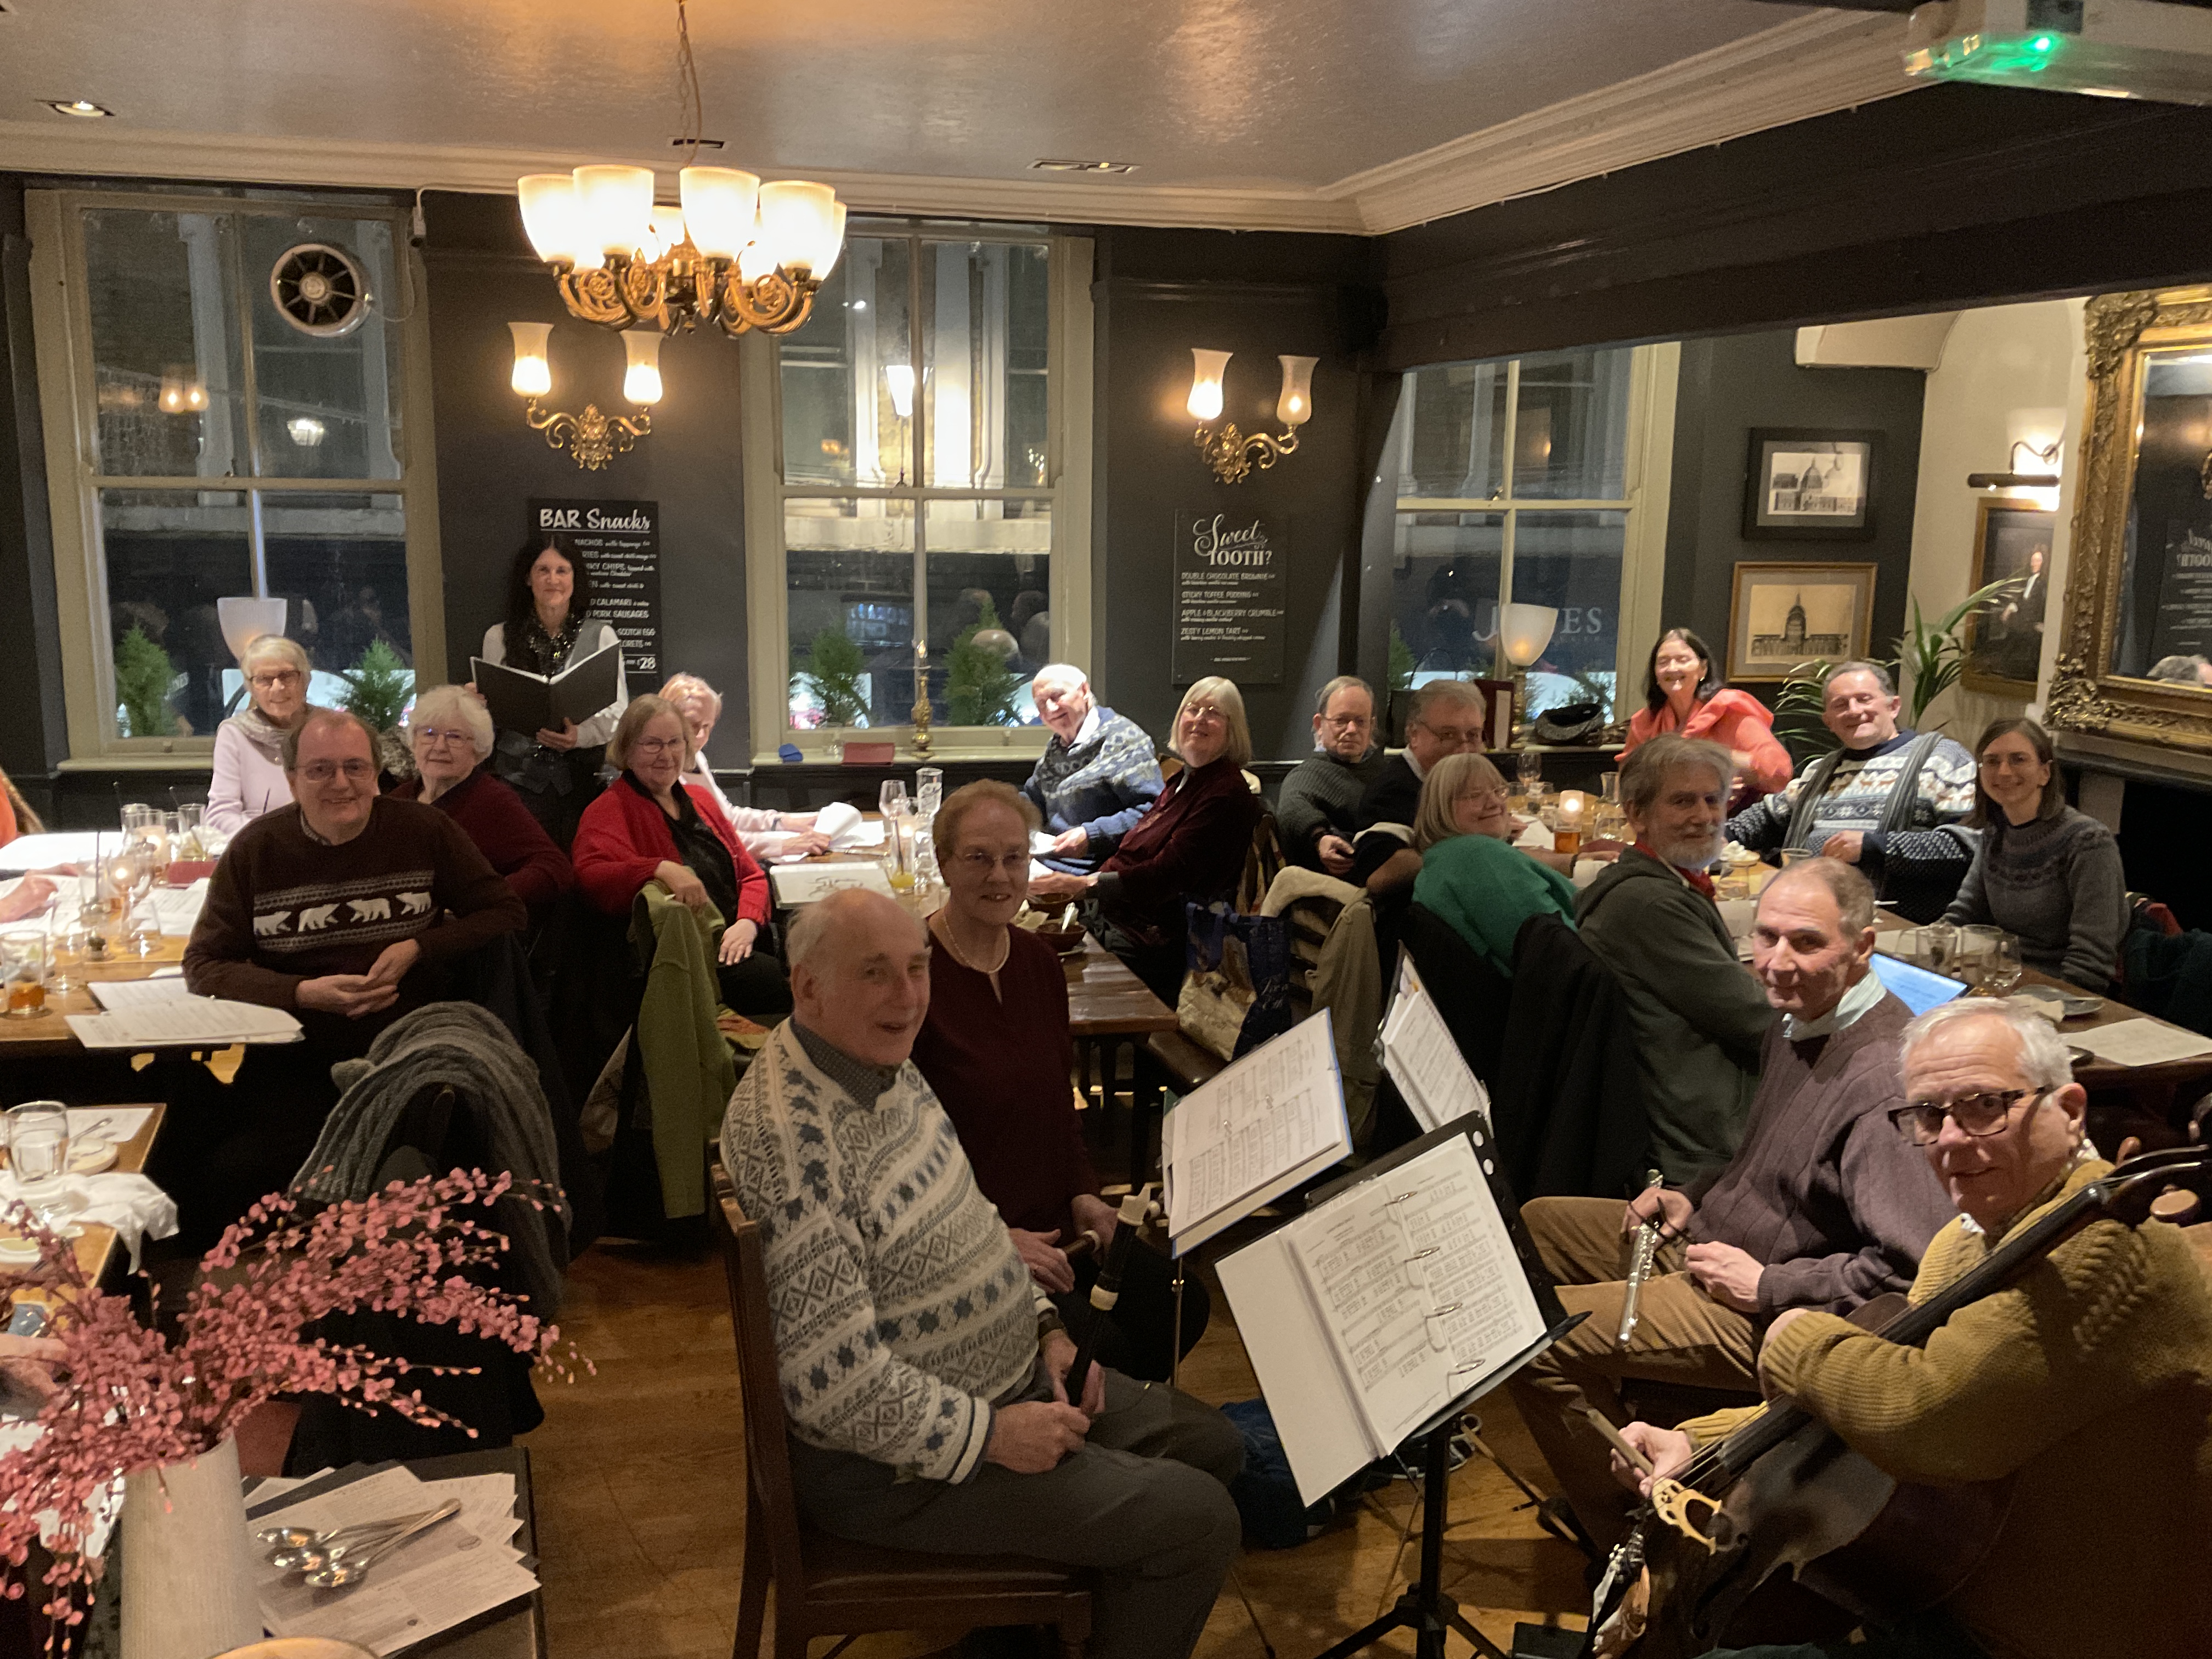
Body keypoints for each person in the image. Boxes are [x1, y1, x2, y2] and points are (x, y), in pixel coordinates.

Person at [720, 889, 1243, 1659]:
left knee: (1215, 1447)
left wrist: (1046, 1331)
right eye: (876, 974)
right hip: (894, 1469)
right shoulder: (798, 1143)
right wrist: (992, 1435)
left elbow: (970, 1222)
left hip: (1008, 1374)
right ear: (807, 987)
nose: (908, 998)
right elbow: (833, 1388)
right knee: (1198, 1522)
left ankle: (1032, 1629)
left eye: (916, 969)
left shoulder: (880, 1063)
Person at [1616, 999, 2212, 1659]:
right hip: (1939, 1588)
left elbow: (1920, 1414)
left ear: (2069, 1110)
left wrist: (1792, 1332)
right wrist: (1695, 1444)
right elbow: (1849, 1412)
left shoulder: (2103, 1254)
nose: (1952, 1140)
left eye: (1986, 1105)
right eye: (1930, 1115)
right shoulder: (1969, 1238)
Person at [1510, 859, 1951, 1553]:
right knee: (1541, 1222)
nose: (1776, 962)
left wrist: (1770, 1286)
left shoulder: (1881, 1084)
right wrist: (1692, 1192)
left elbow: (1912, 1275)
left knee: (1536, 1342)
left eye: (1806, 942)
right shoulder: (1799, 1018)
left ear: (1864, 947)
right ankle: (1627, 1451)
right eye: (1766, 938)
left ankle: (1630, 1538)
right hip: (1719, 1243)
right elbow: (1768, 1153)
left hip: (1768, 1306)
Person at [181, 708, 527, 1238]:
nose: (341, 783)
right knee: (230, 1169)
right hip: (301, 1050)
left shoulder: (425, 829)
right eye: (320, 770)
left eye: (355, 768)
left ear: (376, 774)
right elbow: (203, 965)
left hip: (412, 1042)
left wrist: (418, 945)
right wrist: (299, 992)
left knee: (456, 1144)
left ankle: (413, 1266)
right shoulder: (256, 850)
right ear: (292, 779)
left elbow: (504, 910)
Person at [911, 782, 1195, 1378]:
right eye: (979, 858)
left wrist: (1086, 1192)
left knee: (1181, 1304)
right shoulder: (914, 976)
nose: (1001, 876)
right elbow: (901, 1155)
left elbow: (1055, 1105)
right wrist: (989, 1236)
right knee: (1104, 1350)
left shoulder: (1039, 963)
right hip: (974, 1242)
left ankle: (1118, 1440)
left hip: (1063, 1225)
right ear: (943, 863)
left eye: (1015, 858)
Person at [1577, 736, 1779, 1182]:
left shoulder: (1652, 882)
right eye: (1683, 801)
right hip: (1704, 1138)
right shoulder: (1650, 905)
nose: (1704, 817)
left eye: (1713, 800)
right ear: (1637, 814)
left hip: (1684, 1104)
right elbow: (1759, 1022)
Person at [1029, 678, 1261, 1003]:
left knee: (1036, 966)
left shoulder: (1225, 794)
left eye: (1214, 713)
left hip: (1153, 938)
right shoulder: (1185, 779)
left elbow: (1167, 875)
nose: (1199, 719)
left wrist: (1083, 885)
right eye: (1192, 710)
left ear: (1233, 727)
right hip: (1116, 913)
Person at [570, 695, 789, 1020]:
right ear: (627, 748)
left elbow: (751, 874)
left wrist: (747, 922)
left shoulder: (699, 799)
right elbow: (591, 877)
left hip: (741, 934)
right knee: (780, 983)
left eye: (675, 742)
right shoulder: (609, 808)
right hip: (692, 956)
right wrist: (660, 868)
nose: (667, 755)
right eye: (652, 744)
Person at [1725, 662, 1977, 924]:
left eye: (1864, 699)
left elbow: (1965, 847)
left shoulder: (1942, 759)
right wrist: (1720, 837)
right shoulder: (1820, 770)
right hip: (1808, 913)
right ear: (1828, 722)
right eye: (1841, 705)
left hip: (1894, 924)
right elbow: (1767, 816)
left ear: (1893, 706)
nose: (1854, 711)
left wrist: (1872, 847)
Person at [1941, 718, 2126, 993]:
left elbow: (2091, 962)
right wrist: (1929, 946)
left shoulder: (2088, 840)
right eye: (1992, 762)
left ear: (2044, 773)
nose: (2004, 772)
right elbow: (1964, 912)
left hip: (2055, 991)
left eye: (2018, 760)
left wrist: (2049, 1003)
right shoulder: (1995, 833)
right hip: (2000, 976)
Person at [476, 539, 628, 849]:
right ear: (527, 578)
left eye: (562, 570)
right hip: (517, 781)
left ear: (575, 579)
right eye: (543, 570)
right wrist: (477, 703)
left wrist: (580, 735)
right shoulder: (498, 637)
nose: (553, 579)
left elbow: (619, 712)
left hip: (584, 781)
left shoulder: (602, 635)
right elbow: (492, 711)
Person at [386, 685, 573, 911]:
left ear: (478, 749)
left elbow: (554, 866)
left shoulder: (491, 800)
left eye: (454, 737)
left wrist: (488, 898)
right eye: (429, 734)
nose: (439, 746)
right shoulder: (398, 801)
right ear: (413, 742)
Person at [1409, 751, 1577, 977]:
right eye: (1475, 795)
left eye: (1498, 791)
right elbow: (1560, 951)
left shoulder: (1443, 858)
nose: (1495, 803)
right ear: (1442, 807)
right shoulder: (1477, 857)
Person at [658, 673, 828, 857]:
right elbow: (711, 838)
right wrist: (785, 844)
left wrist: (782, 822)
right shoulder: (661, 774)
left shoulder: (697, 757)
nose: (701, 736)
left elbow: (727, 816)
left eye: (708, 726)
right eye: (693, 725)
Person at [1021, 665, 1164, 874]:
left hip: (1092, 871)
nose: (1050, 709)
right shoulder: (1059, 745)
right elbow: (1034, 798)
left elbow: (1153, 810)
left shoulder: (1123, 739)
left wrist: (1091, 835)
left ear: (1085, 691)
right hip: (1048, 861)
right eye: (1042, 704)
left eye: (1057, 696)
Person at [1620, 628, 1792, 799]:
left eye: (1682, 660)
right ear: (1655, 674)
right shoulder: (1645, 722)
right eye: (1663, 662)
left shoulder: (1730, 710)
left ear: (1703, 669)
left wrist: (1720, 762)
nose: (1672, 668)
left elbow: (1780, 772)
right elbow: (1627, 779)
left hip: (1726, 821)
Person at [1276, 675, 1387, 876]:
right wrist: (1320, 838)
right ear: (1320, 724)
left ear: (1372, 726)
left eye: (1360, 722)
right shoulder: (1307, 775)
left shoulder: (1385, 770)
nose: (1352, 730)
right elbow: (1292, 808)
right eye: (1341, 721)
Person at [206, 633, 315, 838]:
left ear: (306, 679)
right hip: (262, 851)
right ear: (251, 688)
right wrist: (280, 838)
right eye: (264, 679)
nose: (278, 687)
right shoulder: (234, 734)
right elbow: (220, 816)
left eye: (287, 676)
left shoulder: (326, 729)